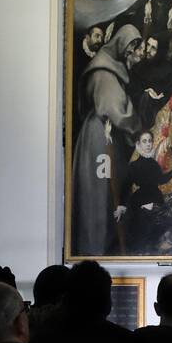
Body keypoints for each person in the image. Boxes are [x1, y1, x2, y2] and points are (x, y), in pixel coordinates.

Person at [72, 25, 143, 255]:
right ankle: (96, 247)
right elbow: (117, 111)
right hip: (99, 137)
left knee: (107, 194)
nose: (133, 50)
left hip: (104, 132)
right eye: (131, 44)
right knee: (99, 195)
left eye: (135, 46)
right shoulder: (104, 71)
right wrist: (138, 126)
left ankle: (106, 244)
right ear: (121, 42)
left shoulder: (111, 65)